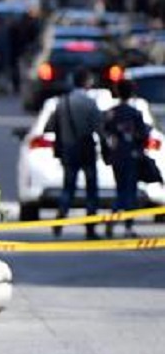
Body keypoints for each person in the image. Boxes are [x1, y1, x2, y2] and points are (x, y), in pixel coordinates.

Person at [47, 68, 103, 239]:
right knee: (91, 189)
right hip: (86, 148)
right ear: (87, 82)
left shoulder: (62, 103)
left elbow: (50, 126)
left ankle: (60, 218)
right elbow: (99, 128)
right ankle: (90, 227)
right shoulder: (90, 103)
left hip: (68, 149)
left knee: (68, 187)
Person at [102, 80, 150, 238]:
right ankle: (127, 226)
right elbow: (143, 136)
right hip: (131, 156)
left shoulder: (111, 113)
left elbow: (105, 133)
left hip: (116, 156)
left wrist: (108, 153)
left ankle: (113, 216)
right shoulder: (135, 113)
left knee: (120, 189)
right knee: (130, 192)